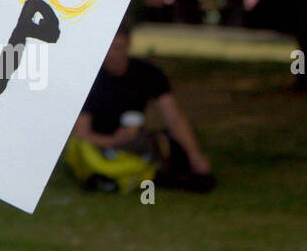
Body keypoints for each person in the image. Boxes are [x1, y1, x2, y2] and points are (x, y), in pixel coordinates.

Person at [66, 18, 215, 193]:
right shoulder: (91, 80)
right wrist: (113, 141)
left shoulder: (147, 73)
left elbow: (174, 118)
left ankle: (134, 173)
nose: (112, 55)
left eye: (118, 48)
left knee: (169, 143)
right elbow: (81, 133)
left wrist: (194, 155)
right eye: (108, 49)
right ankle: (123, 174)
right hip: (100, 143)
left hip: (134, 141)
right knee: (81, 150)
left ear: (128, 46)